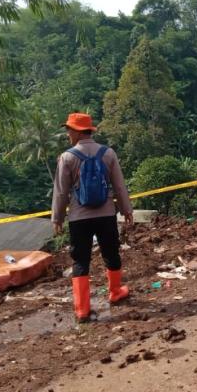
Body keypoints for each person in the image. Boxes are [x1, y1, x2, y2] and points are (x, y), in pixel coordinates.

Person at [52, 112, 134, 323]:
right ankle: (115, 292)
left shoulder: (67, 157)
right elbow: (119, 186)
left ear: (78, 132)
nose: (67, 133)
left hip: (79, 218)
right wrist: (127, 210)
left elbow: (61, 192)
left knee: (80, 260)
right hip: (106, 214)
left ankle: (82, 310)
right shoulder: (108, 154)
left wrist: (57, 218)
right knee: (111, 253)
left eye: (69, 129)